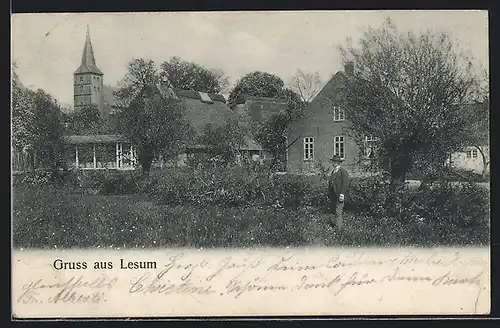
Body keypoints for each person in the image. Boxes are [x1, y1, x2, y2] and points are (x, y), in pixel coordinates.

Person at [328, 154, 350, 229]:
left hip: (339, 194)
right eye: (333, 161)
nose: (333, 163)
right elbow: (331, 183)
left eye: (335, 161)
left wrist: (342, 194)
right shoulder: (333, 171)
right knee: (335, 211)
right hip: (333, 194)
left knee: (338, 211)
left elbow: (345, 183)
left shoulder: (342, 171)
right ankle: (336, 226)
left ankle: (339, 229)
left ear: (338, 163)